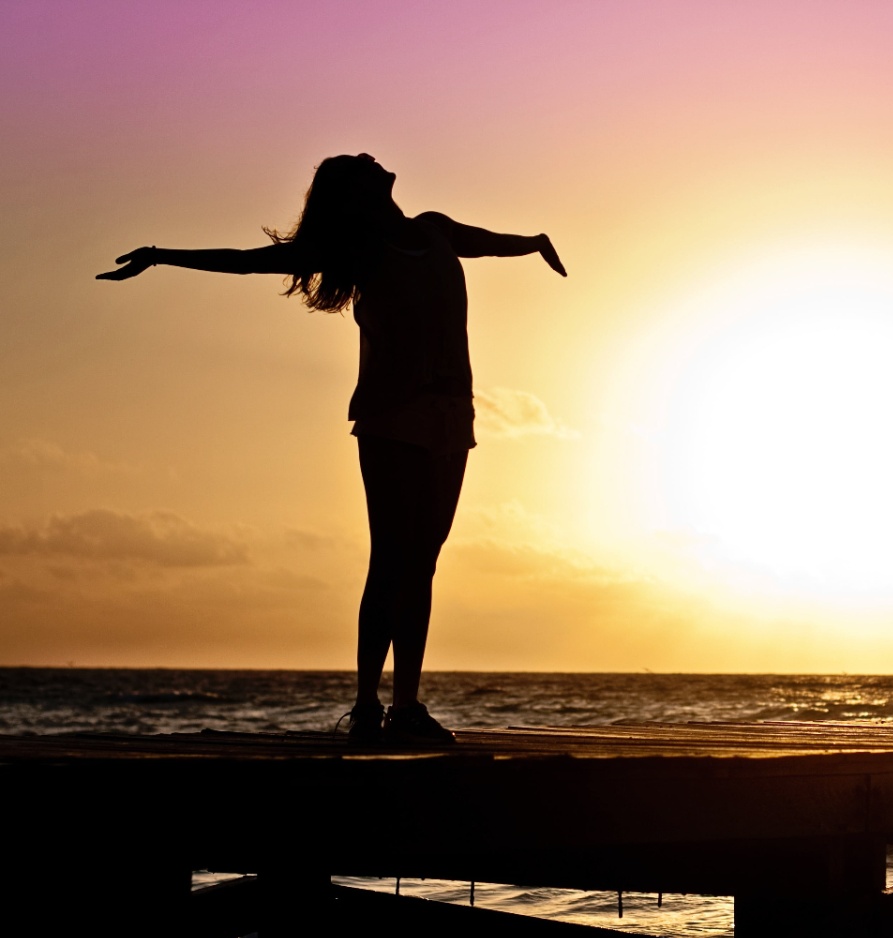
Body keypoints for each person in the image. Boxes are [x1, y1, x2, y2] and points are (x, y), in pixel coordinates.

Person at [98, 153, 566, 744]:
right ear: (355, 194)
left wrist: (533, 242)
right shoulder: (359, 249)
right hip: (393, 416)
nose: (374, 158)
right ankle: (382, 707)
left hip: (453, 418)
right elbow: (250, 263)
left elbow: (488, 242)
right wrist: (163, 255)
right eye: (359, 164)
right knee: (397, 562)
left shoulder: (434, 229)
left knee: (418, 563)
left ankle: (393, 708)